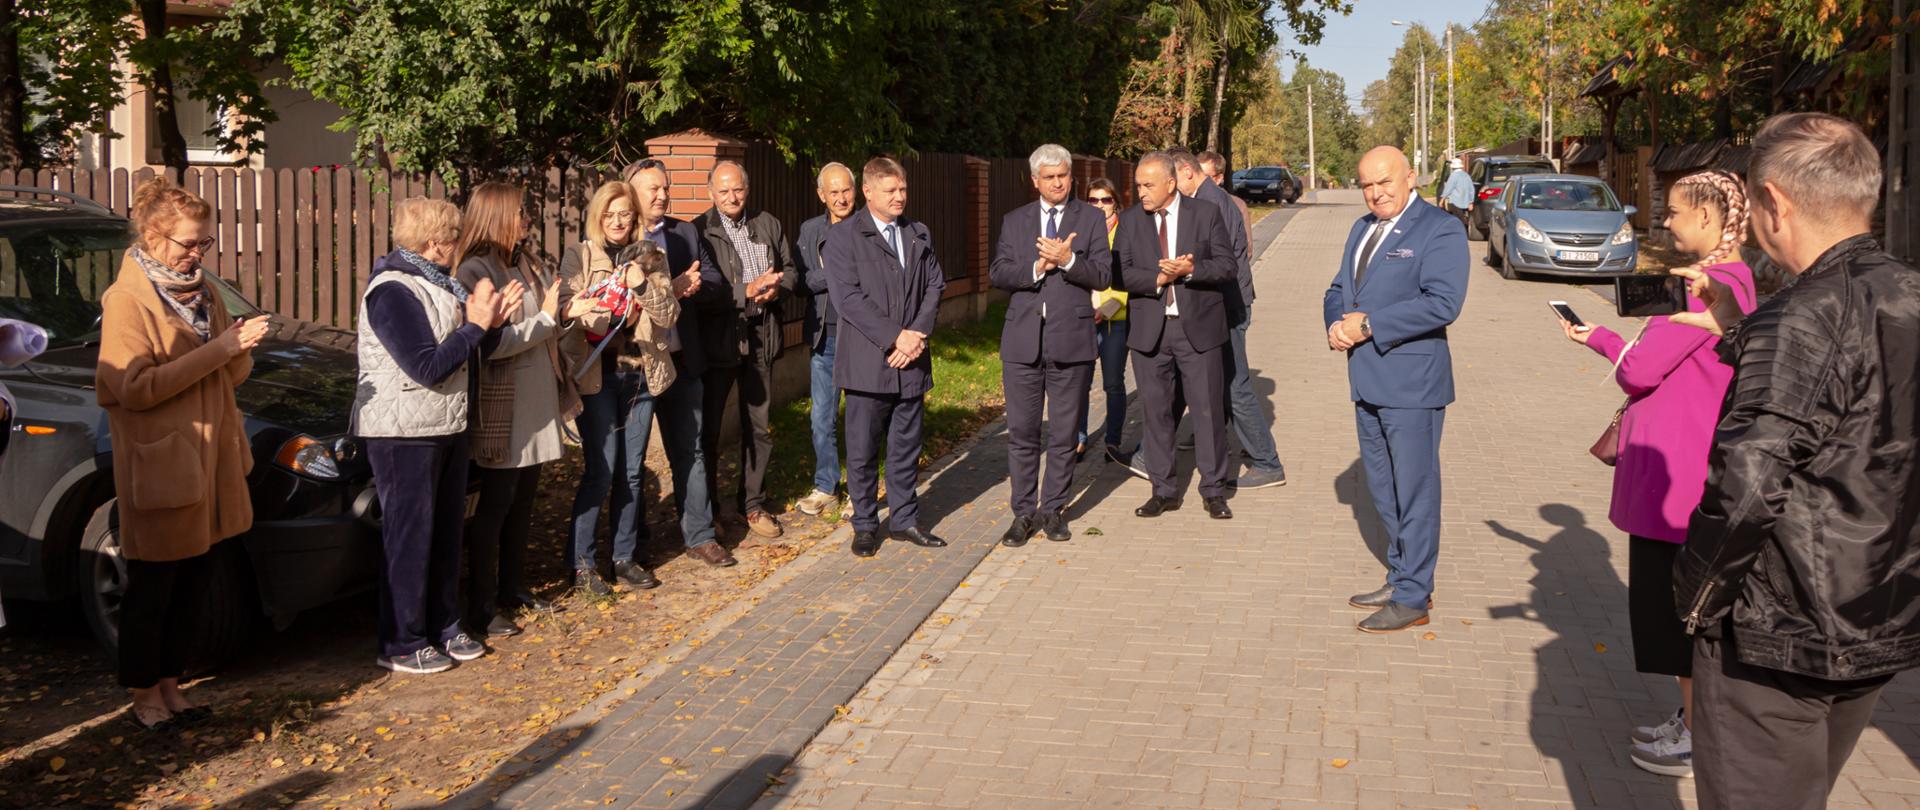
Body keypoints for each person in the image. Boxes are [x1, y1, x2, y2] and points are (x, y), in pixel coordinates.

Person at [1665, 113, 1920, 810]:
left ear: (1774, 202)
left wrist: (1695, 597)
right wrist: (1741, 329)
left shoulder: (1801, 317)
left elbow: (1748, 482)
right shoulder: (1905, 293)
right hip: (1876, 610)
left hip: (1779, 631)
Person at [1556, 170, 1756, 778]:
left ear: (1708, 216)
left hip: (1678, 477)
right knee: (1677, 608)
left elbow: (1641, 369)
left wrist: (1604, 341)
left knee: (1677, 611)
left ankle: (1699, 736)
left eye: (1673, 211)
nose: (1665, 221)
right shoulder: (1732, 279)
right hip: (1686, 466)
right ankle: (1691, 720)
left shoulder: (1709, 286)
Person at [96, 178, 271, 727]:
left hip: (211, 459)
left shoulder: (205, 290)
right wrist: (220, 349)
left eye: (205, 244)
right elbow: (134, 388)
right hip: (163, 464)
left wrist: (239, 348)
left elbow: (229, 373)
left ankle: (172, 688)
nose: (197, 254)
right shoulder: (128, 300)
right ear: (153, 237)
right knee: (154, 589)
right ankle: (144, 697)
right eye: (188, 244)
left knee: (194, 583)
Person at [354, 197, 514, 674]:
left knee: (445, 533)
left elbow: (463, 349)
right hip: (403, 433)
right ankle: (401, 640)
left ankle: (444, 625)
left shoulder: (437, 283)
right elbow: (426, 364)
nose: (457, 246)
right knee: (409, 538)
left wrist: (491, 326)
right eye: (452, 237)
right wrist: (477, 325)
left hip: (445, 423)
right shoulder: (392, 291)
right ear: (433, 243)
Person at [1323, 146, 1468, 634]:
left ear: (1411, 178)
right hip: (1366, 379)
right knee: (1383, 488)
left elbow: (1443, 303)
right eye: (1366, 184)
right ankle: (1400, 571)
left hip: (1412, 385)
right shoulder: (1361, 228)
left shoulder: (1440, 228)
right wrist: (1335, 326)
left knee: (1416, 490)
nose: (1375, 192)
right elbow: (1338, 290)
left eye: (1384, 181)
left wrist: (1368, 325)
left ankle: (1413, 595)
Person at [456, 182, 569, 640]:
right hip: (505, 405)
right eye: (520, 213)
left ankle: (513, 587)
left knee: (523, 503)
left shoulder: (520, 261)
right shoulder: (474, 270)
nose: (527, 220)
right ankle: (482, 604)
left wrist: (564, 312)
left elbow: (542, 322)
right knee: (495, 508)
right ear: (497, 215)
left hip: (535, 400)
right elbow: (488, 344)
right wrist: (545, 318)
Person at [556, 180, 681, 595]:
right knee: (601, 469)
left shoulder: (651, 256)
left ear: (635, 216)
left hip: (640, 373)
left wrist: (641, 285)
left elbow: (668, 312)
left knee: (631, 472)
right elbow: (566, 315)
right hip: (597, 377)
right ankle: (582, 565)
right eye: (609, 214)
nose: (617, 221)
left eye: (624, 213)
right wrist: (608, 306)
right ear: (598, 216)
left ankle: (624, 557)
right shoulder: (580, 255)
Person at [825, 157, 948, 557]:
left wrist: (916, 336)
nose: (900, 197)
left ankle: (904, 520)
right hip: (867, 364)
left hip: (911, 360)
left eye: (903, 189)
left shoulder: (917, 233)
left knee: (906, 446)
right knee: (862, 449)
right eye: (891, 190)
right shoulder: (844, 238)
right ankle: (864, 524)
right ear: (869, 191)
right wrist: (895, 337)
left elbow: (934, 285)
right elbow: (848, 300)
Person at [990, 144, 1110, 547]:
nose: (1058, 183)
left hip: (1072, 341)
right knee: (1023, 432)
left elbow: (1103, 274)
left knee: (1063, 433)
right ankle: (1023, 514)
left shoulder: (1091, 218)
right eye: (1050, 177)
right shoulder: (1016, 220)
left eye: (1064, 176)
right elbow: (999, 272)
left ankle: (1052, 509)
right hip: (1022, 342)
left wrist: (1069, 260)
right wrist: (1038, 267)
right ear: (1035, 180)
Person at [1116, 152, 1238, 521]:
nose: (1141, 192)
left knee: (1207, 411)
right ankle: (1163, 490)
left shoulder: (1205, 213)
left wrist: (1190, 269)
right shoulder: (1131, 221)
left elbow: (1227, 265)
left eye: (1148, 185)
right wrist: (1157, 279)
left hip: (1197, 329)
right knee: (1155, 415)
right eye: (1138, 185)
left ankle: (1214, 490)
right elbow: (1118, 275)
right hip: (1150, 331)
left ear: (1171, 183)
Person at [622, 159, 731, 567]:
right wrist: (672, 290)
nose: (662, 195)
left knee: (692, 450)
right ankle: (630, 545)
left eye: (665, 188)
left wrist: (691, 287)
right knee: (631, 463)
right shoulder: (618, 236)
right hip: (638, 364)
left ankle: (700, 535)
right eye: (653, 189)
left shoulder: (685, 232)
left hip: (683, 361)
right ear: (632, 192)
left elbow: (717, 282)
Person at [1169, 149, 1287, 490]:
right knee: (1213, 382)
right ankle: (1160, 449)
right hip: (1227, 303)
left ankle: (1267, 462)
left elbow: (1220, 261)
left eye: (1175, 181)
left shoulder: (1211, 204)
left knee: (1235, 386)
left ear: (1188, 173)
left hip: (1227, 306)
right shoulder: (1215, 199)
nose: (1174, 189)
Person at [697, 161, 796, 539]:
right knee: (709, 431)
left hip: (760, 335)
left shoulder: (767, 223)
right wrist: (746, 291)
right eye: (723, 191)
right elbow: (704, 292)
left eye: (737, 189)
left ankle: (752, 504)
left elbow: (790, 268)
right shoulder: (700, 231)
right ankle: (707, 512)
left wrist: (778, 287)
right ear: (710, 193)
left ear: (747, 188)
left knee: (758, 426)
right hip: (721, 340)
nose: (732, 197)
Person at [793, 163, 858, 517]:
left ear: (856, 190)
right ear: (822, 195)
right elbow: (800, 282)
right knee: (822, 417)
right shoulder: (810, 230)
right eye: (833, 192)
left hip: (860, 338)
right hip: (825, 338)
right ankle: (826, 486)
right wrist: (836, 272)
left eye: (846, 190)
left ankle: (859, 493)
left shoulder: (868, 227)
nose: (841, 197)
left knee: (861, 419)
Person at [1075, 177, 1132, 465]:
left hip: (1115, 320)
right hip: (1083, 319)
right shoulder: (1081, 230)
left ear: (1115, 203)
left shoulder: (1125, 232)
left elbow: (1131, 282)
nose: (1099, 205)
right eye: (1094, 200)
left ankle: (1112, 440)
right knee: (1080, 382)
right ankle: (1079, 439)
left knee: (1113, 383)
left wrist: (1107, 310)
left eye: (1105, 200)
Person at [1197, 151, 1253, 246]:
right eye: (1197, 175)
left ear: (1219, 178)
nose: (1198, 180)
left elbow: (1246, 248)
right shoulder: (1189, 202)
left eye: (1205, 177)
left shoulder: (1237, 204)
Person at [1440, 158, 1474, 229]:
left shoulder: (1453, 176)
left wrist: (1442, 199)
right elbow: (1471, 189)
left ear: (1452, 167)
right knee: (1462, 218)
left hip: (1455, 202)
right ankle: (1463, 229)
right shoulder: (1466, 175)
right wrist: (1471, 202)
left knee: (1457, 219)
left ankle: (1459, 232)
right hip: (1465, 202)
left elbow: (1448, 188)